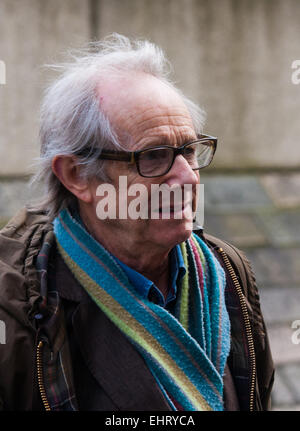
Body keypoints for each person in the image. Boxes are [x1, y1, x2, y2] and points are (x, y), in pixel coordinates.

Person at [0, 34, 274, 411]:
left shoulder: (228, 271)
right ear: (77, 174)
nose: (189, 178)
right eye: (154, 156)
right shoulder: (15, 306)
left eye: (189, 150)